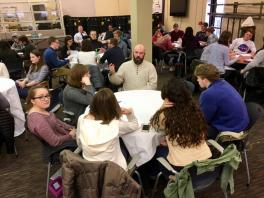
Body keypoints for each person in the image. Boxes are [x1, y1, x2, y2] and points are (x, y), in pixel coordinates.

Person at [149, 77, 212, 172]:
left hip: (181, 167)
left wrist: (161, 108)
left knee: (155, 149)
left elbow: (154, 125)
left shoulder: (165, 116)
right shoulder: (196, 111)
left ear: (168, 98)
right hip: (204, 162)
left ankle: (153, 176)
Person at [77, 88, 139, 170]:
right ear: (113, 106)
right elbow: (134, 125)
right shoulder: (115, 124)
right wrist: (130, 113)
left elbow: (79, 143)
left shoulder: (82, 119)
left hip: (89, 170)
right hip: (115, 172)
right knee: (126, 144)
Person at [194, 64, 249, 139]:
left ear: (205, 80)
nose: (197, 80)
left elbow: (203, 120)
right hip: (242, 125)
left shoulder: (208, 94)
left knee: (192, 126)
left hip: (230, 131)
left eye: (198, 78)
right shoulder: (224, 83)